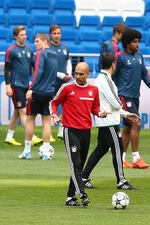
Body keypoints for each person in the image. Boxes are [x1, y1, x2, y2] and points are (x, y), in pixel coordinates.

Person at [50, 62, 108, 207]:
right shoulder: (67, 88)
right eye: (76, 73)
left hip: (86, 132)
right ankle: (82, 193)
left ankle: (70, 197)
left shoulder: (93, 90)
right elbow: (54, 102)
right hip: (70, 130)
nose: (78, 76)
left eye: (81, 74)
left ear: (88, 74)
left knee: (79, 166)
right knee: (75, 164)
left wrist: (100, 113)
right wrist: (55, 115)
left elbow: (95, 107)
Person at [81, 53, 138, 190]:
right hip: (109, 122)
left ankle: (83, 177)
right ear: (114, 64)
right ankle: (121, 181)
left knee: (101, 149)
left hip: (105, 120)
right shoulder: (105, 80)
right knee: (117, 149)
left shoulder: (102, 79)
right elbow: (115, 103)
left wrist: (125, 114)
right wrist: (124, 112)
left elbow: (111, 103)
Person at [113, 28, 150, 169]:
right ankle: (136, 158)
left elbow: (146, 76)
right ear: (127, 43)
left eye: (138, 42)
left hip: (135, 97)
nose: (137, 44)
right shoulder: (120, 57)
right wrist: (114, 94)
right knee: (137, 123)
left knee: (128, 128)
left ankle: (121, 159)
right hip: (124, 96)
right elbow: (112, 76)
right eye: (134, 42)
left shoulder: (139, 57)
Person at [18, 33, 58, 160]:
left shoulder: (41, 54)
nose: (35, 44)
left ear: (44, 41)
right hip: (50, 91)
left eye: (37, 41)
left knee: (30, 119)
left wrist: (31, 88)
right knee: (46, 121)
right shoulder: (55, 54)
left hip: (38, 91)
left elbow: (38, 71)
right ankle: (46, 152)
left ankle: (27, 151)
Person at [3, 26, 42, 146]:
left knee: (17, 111)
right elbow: (7, 70)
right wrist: (8, 85)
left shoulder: (29, 50)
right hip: (16, 85)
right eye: (22, 35)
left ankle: (9, 137)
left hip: (26, 85)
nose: (24, 37)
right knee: (23, 111)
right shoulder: (11, 50)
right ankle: (32, 136)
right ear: (16, 37)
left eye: (25, 35)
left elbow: (34, 68)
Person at [49, 24, 72, 140]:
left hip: (64, 83)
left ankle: (61, 129)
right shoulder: (48, 49)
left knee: (65, 105)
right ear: (50, 35)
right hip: (52, 82)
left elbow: (68, 61)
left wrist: (69, 74)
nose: (57, 35)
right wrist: (61, 75)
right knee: (51, 104)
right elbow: (49, 68)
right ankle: (48, 131)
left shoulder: (64, 48)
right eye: (54, 33)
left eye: (58, 33)